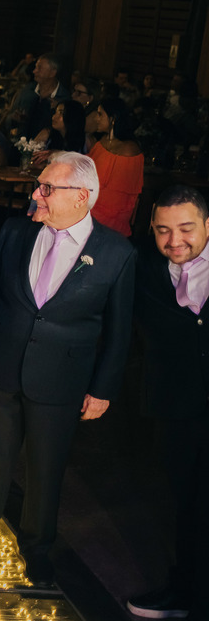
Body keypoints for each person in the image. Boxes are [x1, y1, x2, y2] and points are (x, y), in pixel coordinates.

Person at [0, 153, 135, 587]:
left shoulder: (117, 253)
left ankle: (36, 547)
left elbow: (119, 331)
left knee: (46, 470)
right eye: (40, 185)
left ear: (82, 197)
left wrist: (103, 388)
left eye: (48, 188)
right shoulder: (16, 232)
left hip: (61, 381)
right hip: (1, 368)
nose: (37, 194)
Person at [126, 186, 209, 621]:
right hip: (176, 409)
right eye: (163, 230)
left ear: (208, 225)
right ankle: (186, 590)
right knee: (187, 506)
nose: (175, 240)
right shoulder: (142, 265)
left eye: (186, 228)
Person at [88, 97, 143, 237]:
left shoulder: (128, 150)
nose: (96, 118)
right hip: (92, 206)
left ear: (113, 119)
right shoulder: (102, 141)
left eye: (100, 114)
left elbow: (117, 200)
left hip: (110, 219)